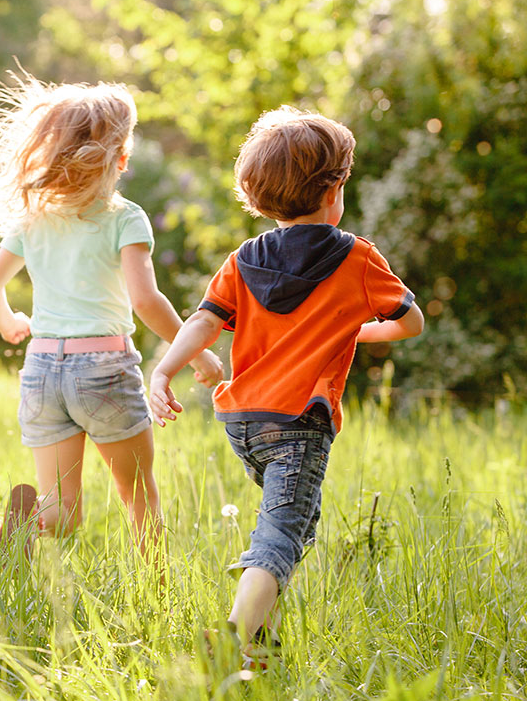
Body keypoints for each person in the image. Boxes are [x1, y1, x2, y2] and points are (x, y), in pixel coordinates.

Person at [149, 105, 424, 665]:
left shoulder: (243, 258)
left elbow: (202, 321)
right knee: (279, 536)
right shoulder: (356, 258)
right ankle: (231, 643)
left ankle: (262, 651)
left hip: (243, 422)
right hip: (299, 423)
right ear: (335, 188)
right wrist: (353, 331)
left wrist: (163, 369)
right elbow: (410, 321)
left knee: (299, 523)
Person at [0, 72, 223, 563]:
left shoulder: (34, 218)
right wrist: (196, 352)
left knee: (63, 511)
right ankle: (159, 602)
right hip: (103, 368)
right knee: (140, 500)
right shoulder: (124, 217)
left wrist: (10, 322)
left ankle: (27, 526)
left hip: (40, 371)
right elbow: (145, 301)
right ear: (121, 159)